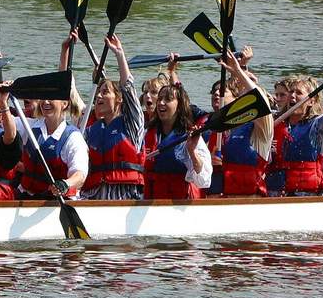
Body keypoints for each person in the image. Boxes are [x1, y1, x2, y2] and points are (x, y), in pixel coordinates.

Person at [83, 33, 145, 200]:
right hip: (94, 196)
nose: (98, 97)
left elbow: (129, 89)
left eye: (105, 92)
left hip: (125, 198)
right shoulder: (90, 131)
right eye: (98, 93)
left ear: (118, 99)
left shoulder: (132, 124)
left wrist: (119, 54)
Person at [278, 74, 323, 196]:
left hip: (306, 194)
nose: (293, 96)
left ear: (311, 101)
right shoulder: (276, 123)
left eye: (299, 93)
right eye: (291, 92)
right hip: (276, 191)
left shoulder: (318, 126)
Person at [142, 74, 211, 199]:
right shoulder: (146, 132)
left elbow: (203, 180)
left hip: (180, 203)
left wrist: (192, 151)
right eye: (160, 99)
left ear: (179, 106)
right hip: (152, 202)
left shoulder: (190, 136)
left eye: (168, 99)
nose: (161, 103)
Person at [219, 50, 274, 197]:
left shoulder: (263, 131)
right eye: (243, 101)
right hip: (229, 198)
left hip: (253, 200)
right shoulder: (232, 127)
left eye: (248, 102)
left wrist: (238, 70)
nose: (245, 105)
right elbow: (234, 92)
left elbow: (258, 98)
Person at [17, 97, 89, 199]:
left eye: (51, 98)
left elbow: (80, 175)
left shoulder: (73, 138)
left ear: (64, 104)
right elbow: (6, 124)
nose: (46, 102)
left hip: (57, 200)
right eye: (43, 98)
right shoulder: (30, 126)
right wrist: (3, 102)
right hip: (27, 195)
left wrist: (65, 184)